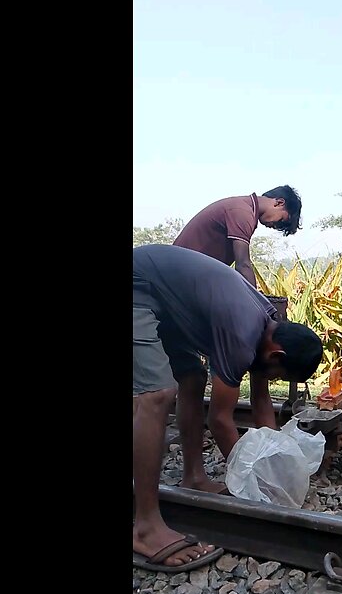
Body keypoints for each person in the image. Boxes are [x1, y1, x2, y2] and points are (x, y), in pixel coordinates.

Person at [133, 244, 323, 572]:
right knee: (157, 395)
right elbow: (219, 420)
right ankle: (145, 526)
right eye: (279, 374)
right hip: (138, 286)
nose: (272, 377)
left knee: (191, 378)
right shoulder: (242, 334)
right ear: (276, 355)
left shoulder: (266, 326)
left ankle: (194, 477)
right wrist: (248, 480)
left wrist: (274, 462)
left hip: (164, 301)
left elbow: (261, 403)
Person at [172, 186, 302, 288]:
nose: (275, 226)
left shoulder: (244, 208)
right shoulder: (243, 213)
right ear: (279, 203)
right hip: (179, 274)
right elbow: (243, 265)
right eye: (281, 221)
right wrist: (258, 305)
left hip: (190, 274)